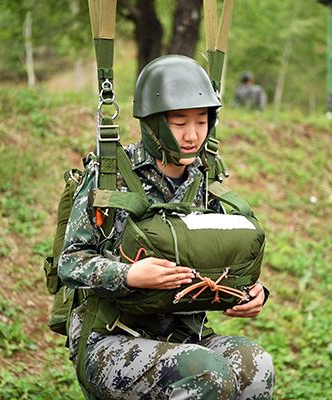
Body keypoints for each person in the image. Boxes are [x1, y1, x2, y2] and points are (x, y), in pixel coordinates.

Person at [58, 55, 274, 400]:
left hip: (186, 338)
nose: (192, 136)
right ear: (153, 123)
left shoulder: (206, 183)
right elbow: (70, 262)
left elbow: (220, 262)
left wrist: (252, 292)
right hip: (111, 338)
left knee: (255, 365)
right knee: (204, 371)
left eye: (202, 122)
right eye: (178, 123)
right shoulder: (110, 175)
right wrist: (129, 275)